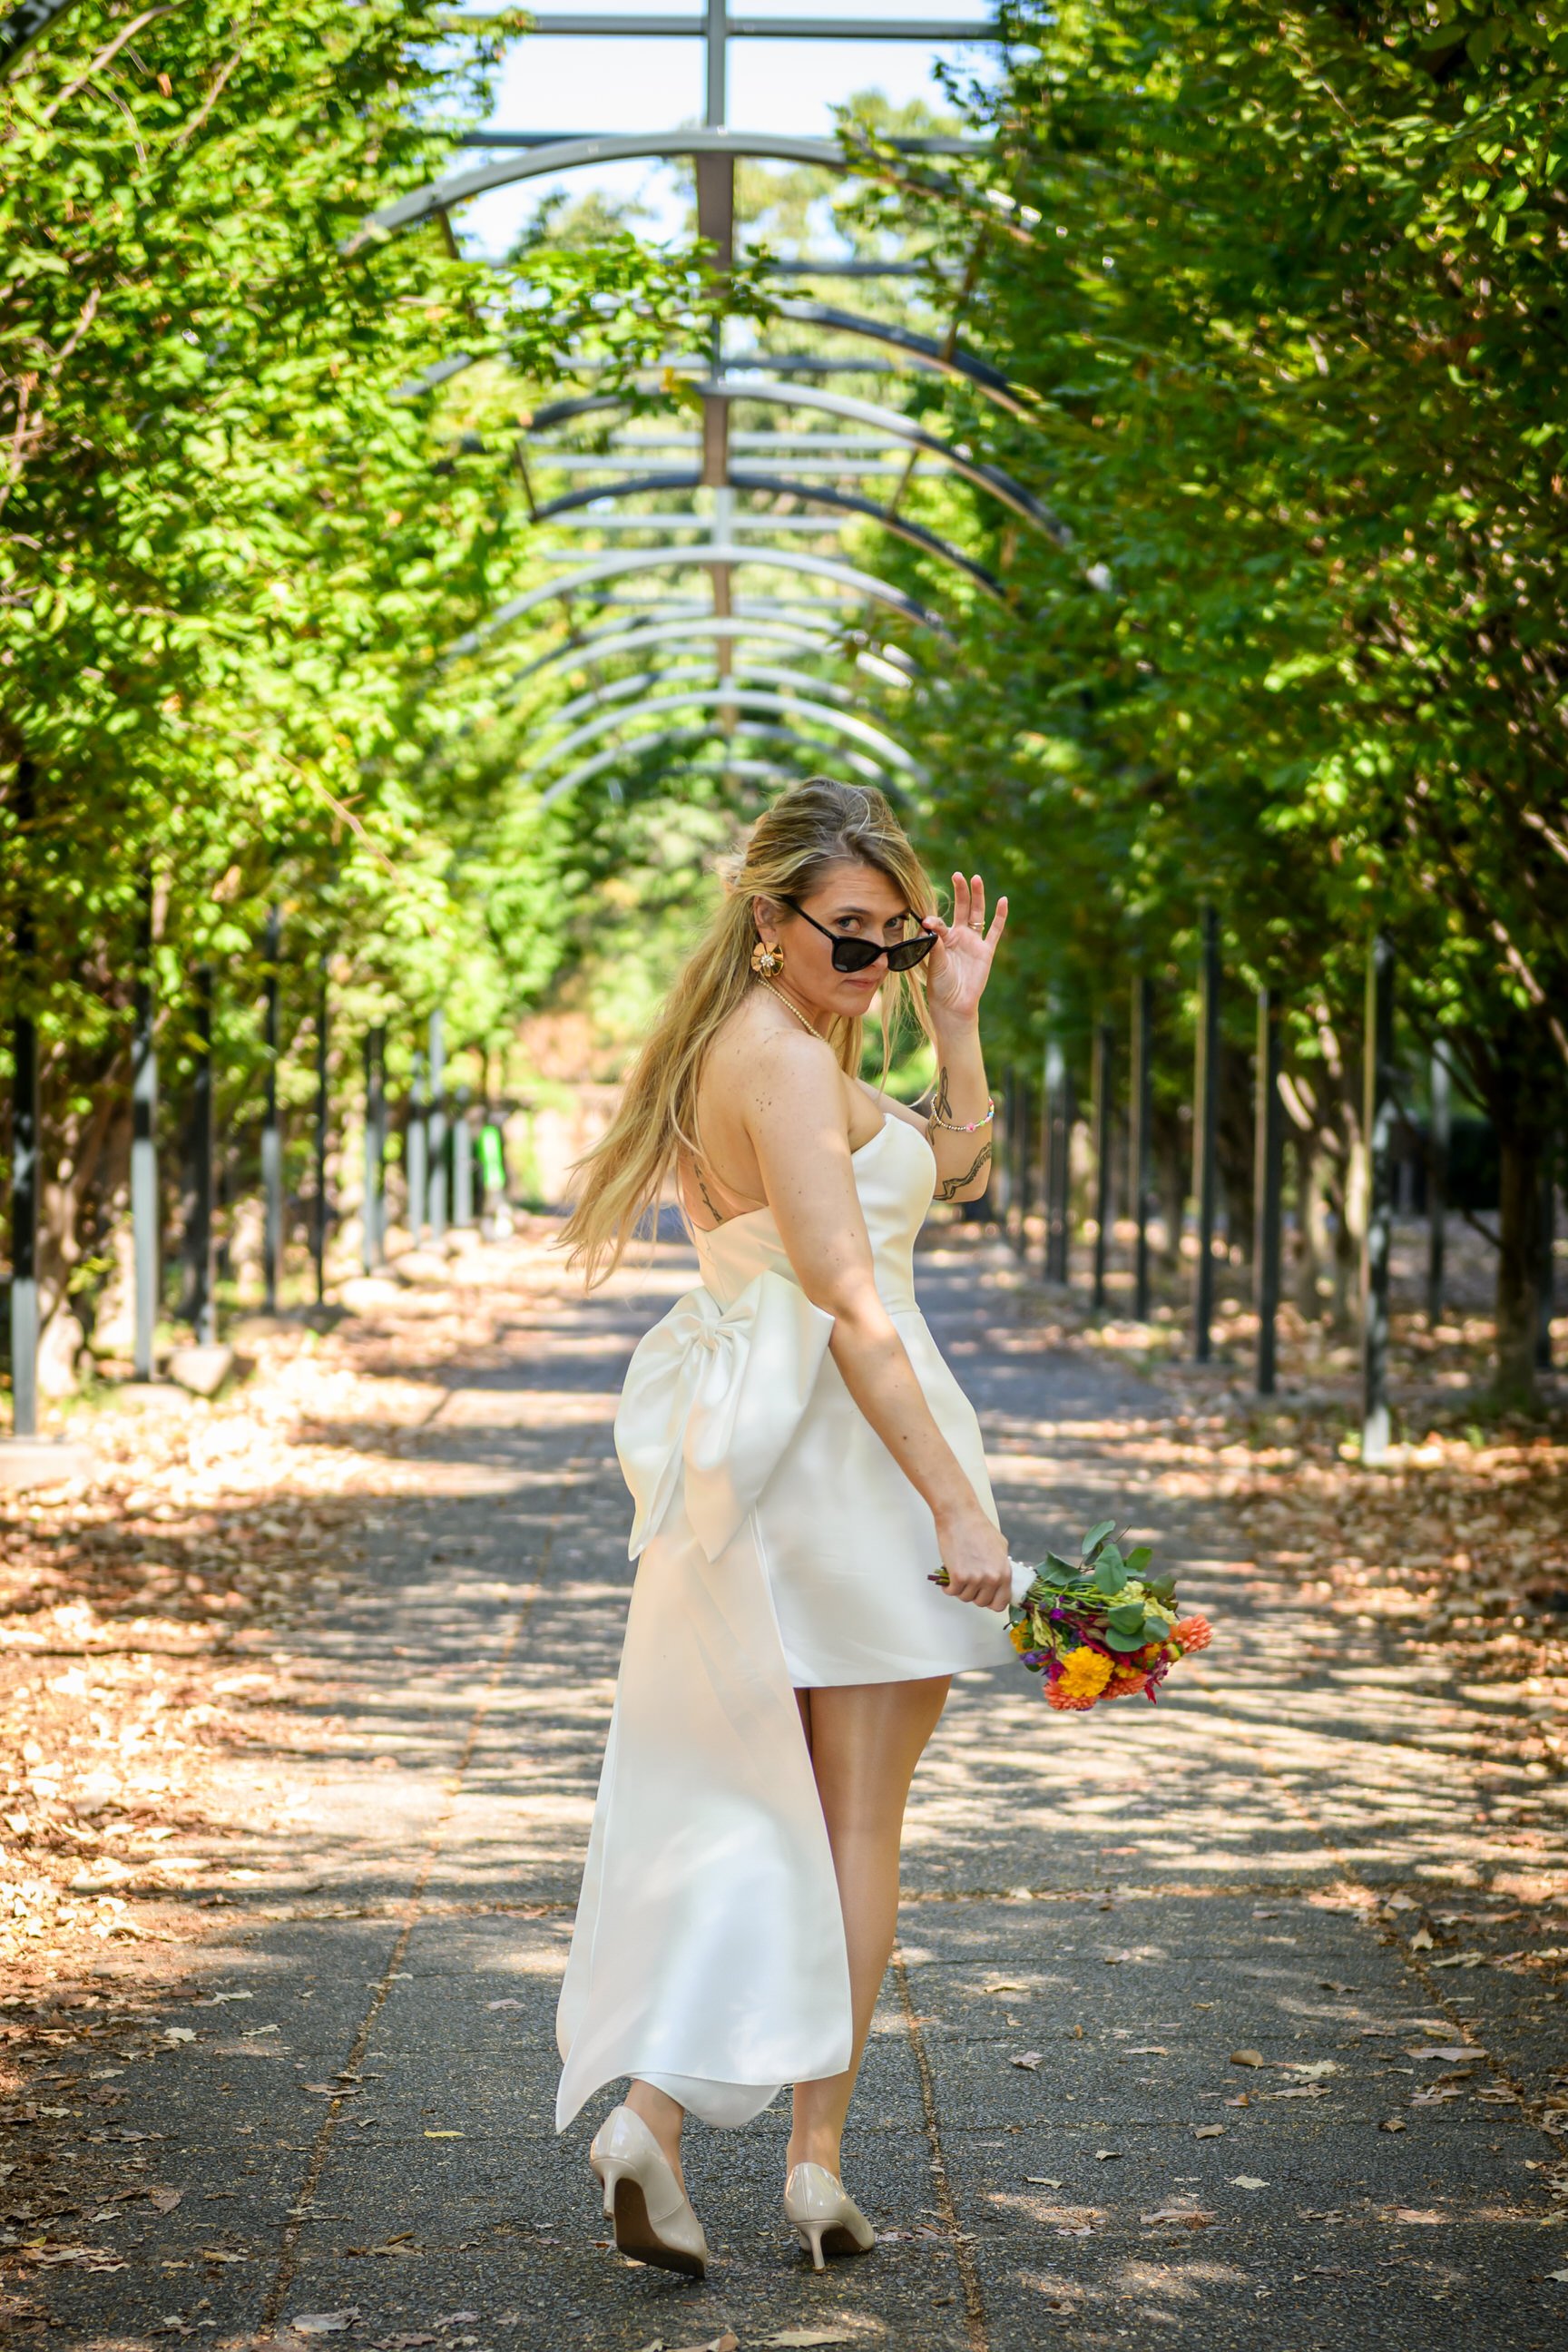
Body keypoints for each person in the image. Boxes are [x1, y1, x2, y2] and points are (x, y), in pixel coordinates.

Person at [555, 777, 1014, 2279]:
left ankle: (658, 2131)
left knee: (763, 1810)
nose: (875, 962)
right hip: (846, 1458)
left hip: (764, 1448)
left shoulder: (765, 1048)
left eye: (900, 934)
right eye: (852, 936)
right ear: (770, 922)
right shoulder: (787, 1064)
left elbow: (954, 1169)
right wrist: (953, 1496)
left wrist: (957, 1023)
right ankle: (813, 2164)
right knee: (855, 1823)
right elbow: (853, 1300)